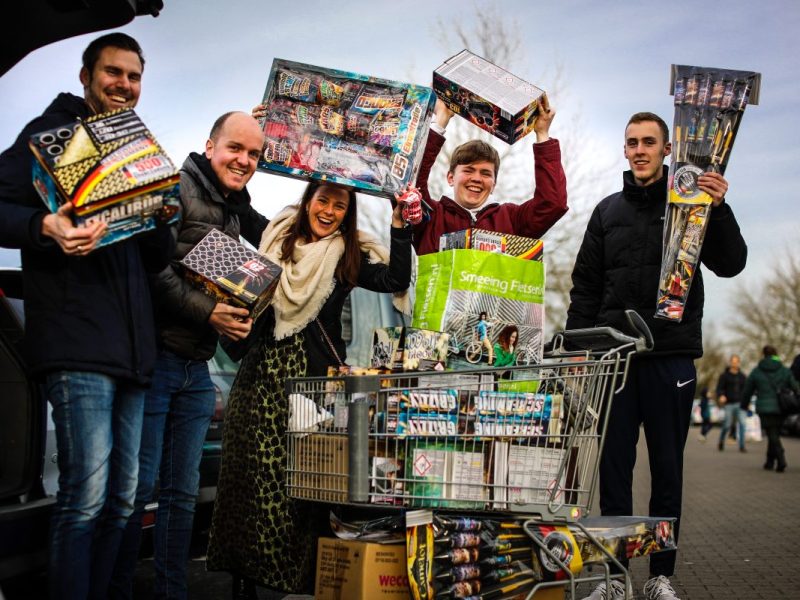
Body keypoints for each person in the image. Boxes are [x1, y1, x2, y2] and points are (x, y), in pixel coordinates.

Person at [0, 33, 174, 600]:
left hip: (131, 350)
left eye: (134, 76)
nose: (124, 84)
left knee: (125, 501)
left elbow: (158, 255)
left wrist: (161, 213)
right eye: (114, 72)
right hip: (76, 345)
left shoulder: (133, 149)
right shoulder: (50, 134)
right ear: (85, 76)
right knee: (85, 498)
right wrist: (42, 227)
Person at [567, 112, 747, 600]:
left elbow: (731, 264)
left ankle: (660, 576)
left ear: (668, 150)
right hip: (616, 361)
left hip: (671, 357)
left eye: (650, 142)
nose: (640, 150)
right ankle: (615, 578)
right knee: (614, 471)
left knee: (668, 468)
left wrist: (720, 205)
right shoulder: (606, 212)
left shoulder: (694, 207)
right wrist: (580, 349)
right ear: (624, 151)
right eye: (632, 143)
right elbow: (584, 288)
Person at [205, 181, 411, 598]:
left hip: (309, 388)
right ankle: (243, 580)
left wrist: (399, 226)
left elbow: (394, 277)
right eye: (323, 200)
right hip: (258, 380)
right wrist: (267, 136)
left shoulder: (344, 256)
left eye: (340, 205)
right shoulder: (275, 237)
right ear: (308, 202)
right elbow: (240, 206)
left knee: (304, 487)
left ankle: (301, 582)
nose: (329, 211)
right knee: (247, 482)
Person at [109, 112, 268, 600]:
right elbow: (152, 270)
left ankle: (171, 592)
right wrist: (211, 316)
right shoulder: (176, 187)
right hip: (155, 362)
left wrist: (237, 317)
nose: (243, 160)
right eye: (234, 149)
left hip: (195, 370)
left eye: (254, 153)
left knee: (180, 497)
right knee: (133, 494)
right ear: (210, 146)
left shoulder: (231, 210)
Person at [411, 98, 568, 255]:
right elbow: (409, 181)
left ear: (493, 184)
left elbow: (552, 204)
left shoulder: (512, 220)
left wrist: (542, 133)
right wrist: (441, 118)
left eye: (485, 173)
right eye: (468, 170)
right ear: (451, 178)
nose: (477, 178)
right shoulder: (430, 216)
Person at [743, 345, 800, 473]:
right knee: (774, 433)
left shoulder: (757, 371)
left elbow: (747, 390)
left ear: (764, 354)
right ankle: (769, 462)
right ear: (775, 354)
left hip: (764, 407)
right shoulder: (784, 370)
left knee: (772, 434)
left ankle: (781, 460)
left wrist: (744, 404)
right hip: (781, 407)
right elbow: (795, 386)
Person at [716, 354, 747, 452]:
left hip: (740, 404)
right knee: (727, 425)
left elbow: (746, 390)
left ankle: (742, 446)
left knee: (742, 423)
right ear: (730, 363)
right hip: (729, 404)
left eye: (736, 362)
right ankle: (721, 441)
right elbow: (719, 389)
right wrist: (721, 395)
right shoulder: (724, 376)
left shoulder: (742, 376)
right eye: (733, 362)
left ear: (739, 363)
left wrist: (747, 401)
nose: (734, 364)